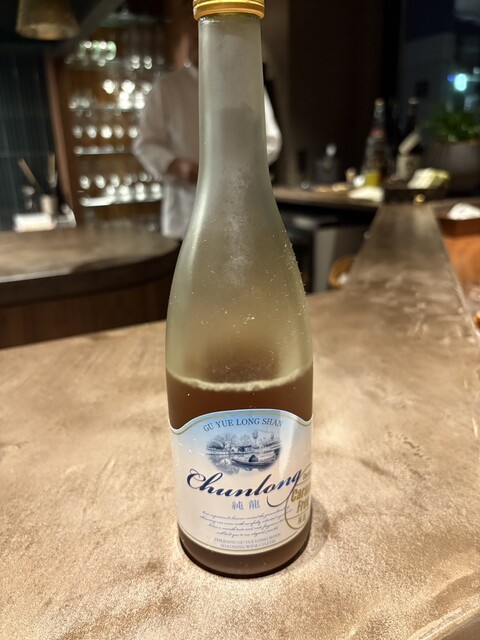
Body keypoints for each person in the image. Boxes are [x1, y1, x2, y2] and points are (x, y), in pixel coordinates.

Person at [133, 16, 282, 240]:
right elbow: (146, 143)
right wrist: (178, 166)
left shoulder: (245, 82)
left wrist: (236, 168)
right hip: (185, 213)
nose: (200, 44)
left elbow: (270, 139)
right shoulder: (168, 88)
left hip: (239, 213)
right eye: (194, 40)